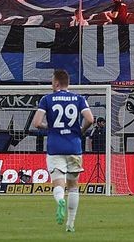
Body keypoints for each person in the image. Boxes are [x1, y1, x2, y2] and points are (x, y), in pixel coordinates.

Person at [32, 69, 95, 233]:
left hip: (55, 147)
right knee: (73, 186)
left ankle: (60, 200)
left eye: (52, 81)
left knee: (58, 183)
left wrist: (50, 128)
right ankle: (70, 224)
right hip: (74, 147)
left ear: (56, 83)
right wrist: (80, 130)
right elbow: (90, 119)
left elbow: (37, 123)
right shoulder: (79, 99)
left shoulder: (47, 99)